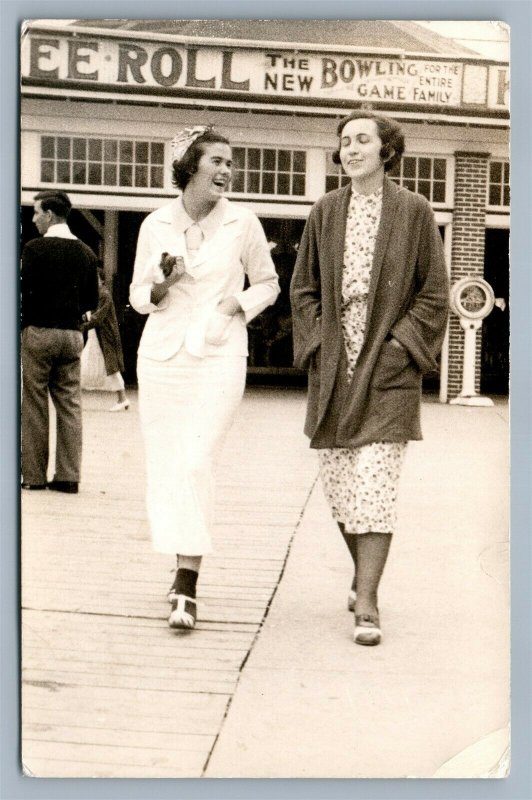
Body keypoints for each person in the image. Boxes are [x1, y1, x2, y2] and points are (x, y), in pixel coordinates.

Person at [290, 111, 449, 646]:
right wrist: (315, 346)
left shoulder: (415, 211)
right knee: (340, 489)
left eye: (363, 139)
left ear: (387, 150)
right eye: (345, 141)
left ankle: (369, 603)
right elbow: (303, 289)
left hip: (388, 361)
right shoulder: (325, 212)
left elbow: (433, 292)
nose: (351, 148)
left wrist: (400, 348)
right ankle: (362, 578)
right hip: (335, 361)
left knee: (374, 488)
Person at [130, 126, 280, 631]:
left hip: (217, 354)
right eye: (216, 161)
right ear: (190, 166)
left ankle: (188, 585)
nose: (226, 171)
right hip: (162, 358)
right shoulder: (155, 224)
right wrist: (162, 284)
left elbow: (268, 283)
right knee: (169, 466)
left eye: (230, 163)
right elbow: (136, 296)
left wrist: (235, 303)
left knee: (196, 461)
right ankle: (181, 572)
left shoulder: (243, 223)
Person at [21, 190, 99, 494]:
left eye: (37, 212)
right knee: (70, 404)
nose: (34, 218)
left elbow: (22, 292)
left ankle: (34, 476)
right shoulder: (86, 252)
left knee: (34, 405)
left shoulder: (34, 249)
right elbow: (91, 300)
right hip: (71, 336)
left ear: (50, 214)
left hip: (38, 333)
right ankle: (68, 476)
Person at [80, 268, 129, 411]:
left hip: (106, 336)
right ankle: (122, 398)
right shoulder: (97, 294)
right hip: (97, 335)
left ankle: (123, 398)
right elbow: (92, 314)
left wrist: (81, 326)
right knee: (88, 363)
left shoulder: (104, 294)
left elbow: (98, 316)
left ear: (101, 279)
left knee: (111, 368)